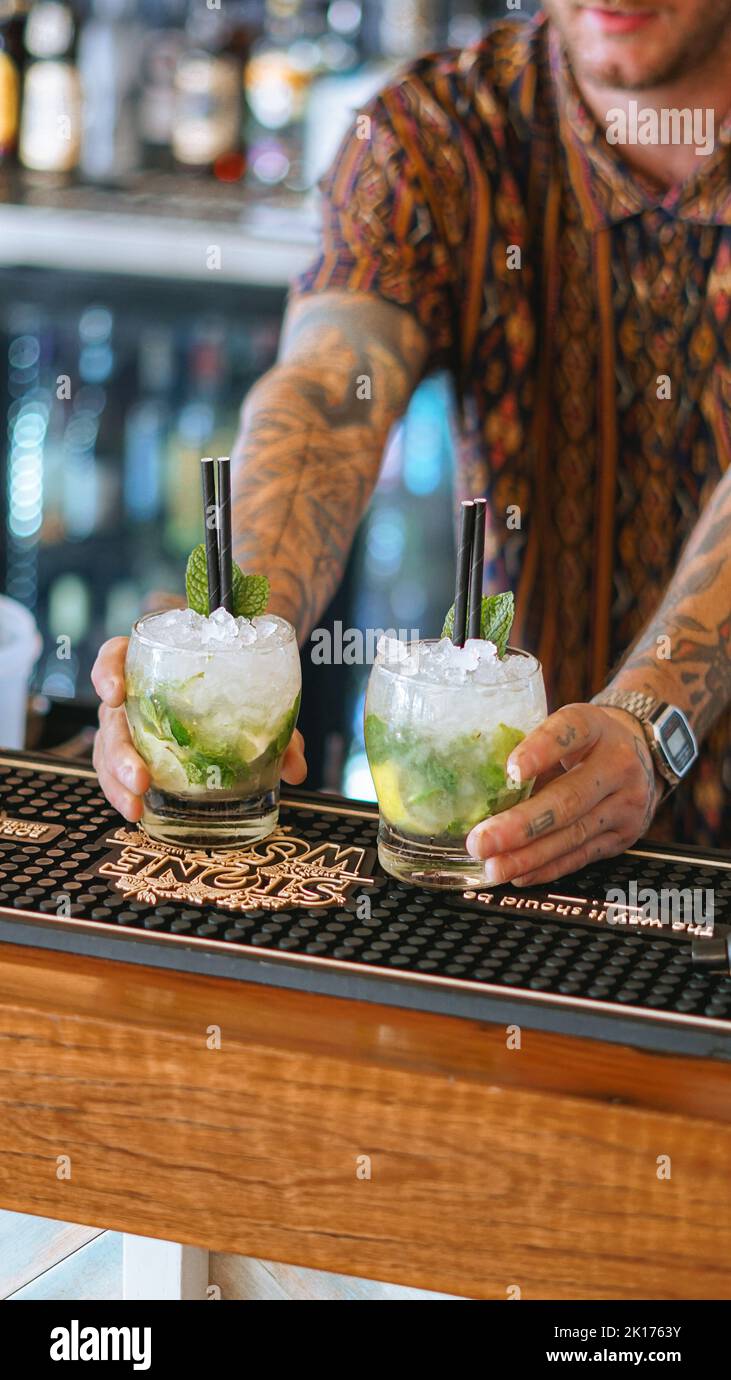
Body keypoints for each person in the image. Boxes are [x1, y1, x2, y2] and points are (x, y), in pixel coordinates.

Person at [94, 0, 731, 886]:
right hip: (511, 837)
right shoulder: (434, 134)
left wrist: (649, 723)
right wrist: (228, 659)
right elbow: (328, 393)